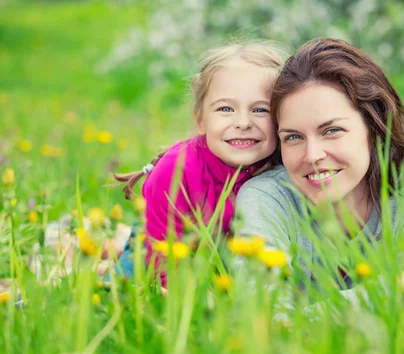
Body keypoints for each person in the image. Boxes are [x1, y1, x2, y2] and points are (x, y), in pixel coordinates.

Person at [234, 38, 404, 288]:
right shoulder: (266, 199)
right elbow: (265, 315)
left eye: (332, 130)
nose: (312, 155)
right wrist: (389, 294)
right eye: (293, 137)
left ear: (375, 128)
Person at [109, 42, 284, 286]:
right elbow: (165, 265)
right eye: (226, 108)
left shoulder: (286, 167)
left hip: (225, 259)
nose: (243, 122)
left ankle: (113, 240)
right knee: (121, 281)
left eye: (260, 110)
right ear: (200, 119)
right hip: (162, 241)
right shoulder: (177, 170)